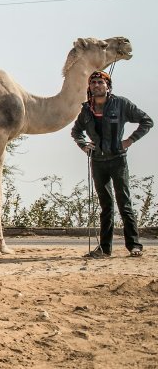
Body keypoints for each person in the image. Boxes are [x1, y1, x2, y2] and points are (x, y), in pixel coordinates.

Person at [71, 70, 152, 258]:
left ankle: (134, 245)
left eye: (100, 82)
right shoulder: (86, 110)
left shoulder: (120, 104)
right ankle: (104, 248)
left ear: (108, 86)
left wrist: (130, 140)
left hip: (118, 160)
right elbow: (76, 132)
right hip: (97, 161)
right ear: (89, 87)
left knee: (124, 202)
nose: (97, 85)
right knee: (105, 205)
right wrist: (84, 146)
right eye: (93, 83)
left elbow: (146, 121)